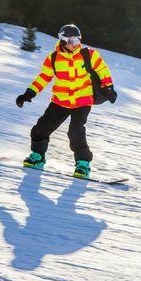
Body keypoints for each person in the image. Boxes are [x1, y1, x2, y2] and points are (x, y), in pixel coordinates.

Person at [15, 24, 117, 178]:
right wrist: (29, 93)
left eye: (77, 39)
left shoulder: (88, 54)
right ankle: (38, 157)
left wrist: (109, 87)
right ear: (62, 40)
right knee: (41, 129)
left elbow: (103, 70)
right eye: (71, 39)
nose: (74, 43)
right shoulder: (54, 58)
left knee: (75, 131)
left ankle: (83, 164)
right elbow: (44, 77)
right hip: (60, 101)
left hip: (82, 101)